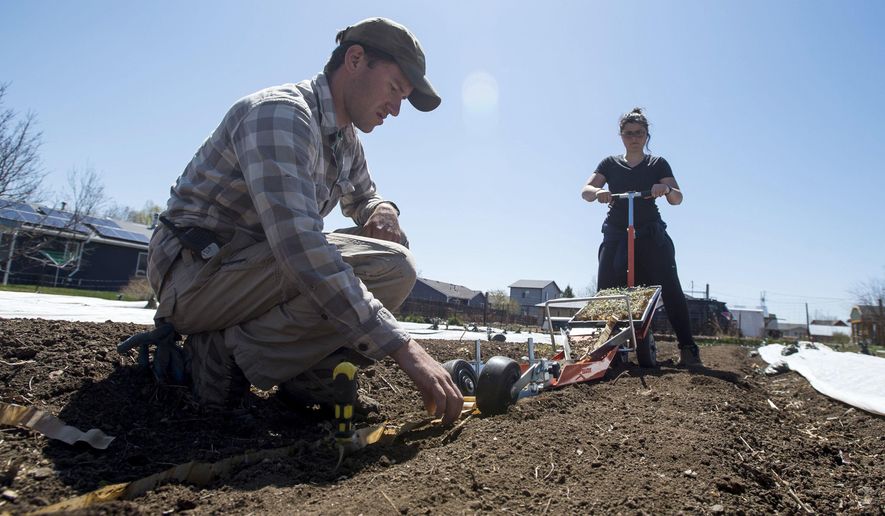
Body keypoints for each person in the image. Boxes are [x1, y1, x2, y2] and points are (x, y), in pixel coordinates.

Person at [140, 17, 464, 423]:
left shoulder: (344, 139)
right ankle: (221, 356)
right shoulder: (281, 115)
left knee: (391, 260)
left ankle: (310, 376)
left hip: (247, 269)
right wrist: (404, 347)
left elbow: (365, 196)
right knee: (386, 266)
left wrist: (383, 209)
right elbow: (300, 247)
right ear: (356, 59)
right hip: (194, 276)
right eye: (395, 89)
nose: (396, 110)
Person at [580, 107, 702, 367]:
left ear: (647, 135)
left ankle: (688, 349)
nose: (634, 137)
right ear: (621, 135)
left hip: (649, 233)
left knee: (669, 288)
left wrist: (666, 188)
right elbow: (586, 190)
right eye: (629, 133)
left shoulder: (657, 163)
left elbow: (677, 198)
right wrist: (597, 192)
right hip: (616, 232)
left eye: (639, 133)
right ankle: (608, 350)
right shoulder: (609, 164)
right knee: (608, 292)